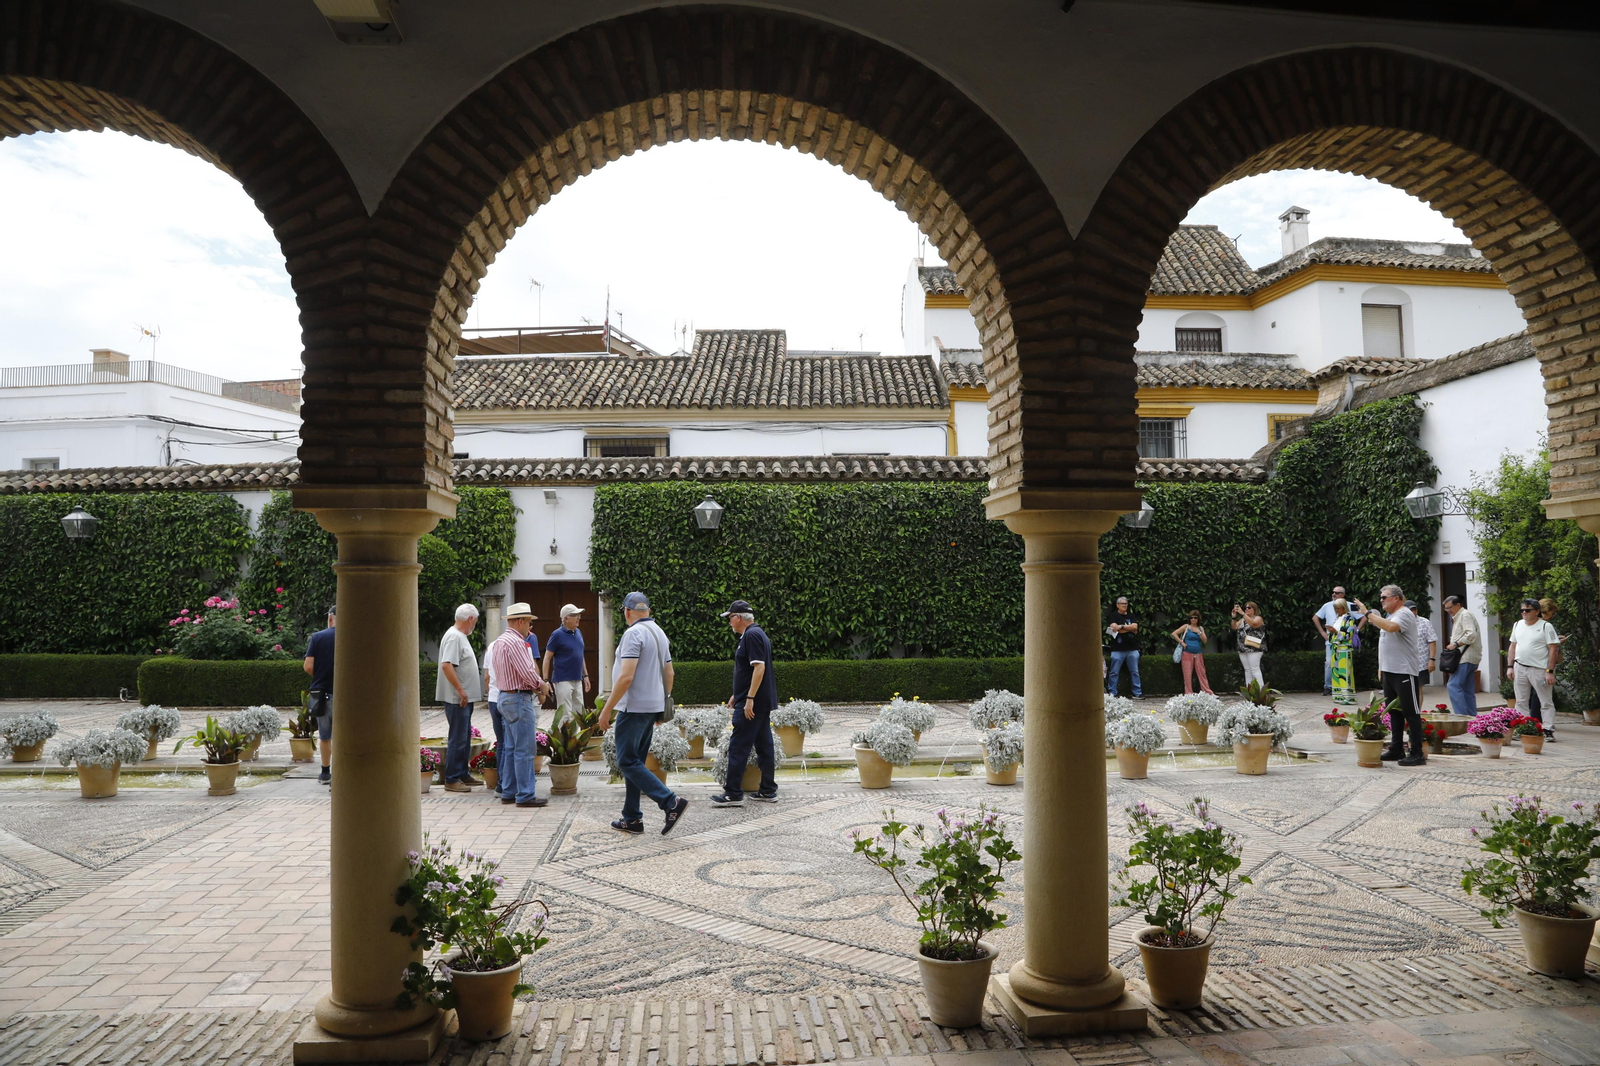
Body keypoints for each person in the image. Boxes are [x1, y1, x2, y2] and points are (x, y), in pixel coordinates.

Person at [597, 592, 690, 835]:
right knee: (634, 761)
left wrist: (607, 710)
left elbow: (626, 676)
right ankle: (632, 818)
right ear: (646, 610)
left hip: (633, 707)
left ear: (627, 612)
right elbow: (670, 674)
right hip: (652, 706)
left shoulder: (633, 634)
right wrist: (662, 705)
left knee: (626, 761)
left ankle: (670, 802)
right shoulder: (659, 633)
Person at [711, 600, 779, 807]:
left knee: (738, 746)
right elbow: (750, 671)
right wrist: (738, 695)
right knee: (764, 745)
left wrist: (748, 699)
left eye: (730, 618)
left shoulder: (751, 635)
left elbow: (759, 668)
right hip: (757, 701)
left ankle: (733, 793)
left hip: (753, 703)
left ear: (738, 617)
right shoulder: (755, 634)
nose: (729, 622)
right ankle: (768, 790)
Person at [488, 602, 549, 807]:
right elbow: (528, 672)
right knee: (524, 749)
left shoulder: (499, 641)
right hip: (518, 698)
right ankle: (525, 795)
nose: (530, 628)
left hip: (504, 697)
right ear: (521, 621)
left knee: (512, 747)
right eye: (529, 623)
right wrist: (542, 686)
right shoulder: (516, 642)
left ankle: (509, 791)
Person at [1360, 586, 1424, 765]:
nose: (1381, 600)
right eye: (1381, 598)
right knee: (1394, 713)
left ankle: (1417, 752)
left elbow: (1391, 628)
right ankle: (1396, 749)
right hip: (1390, 671)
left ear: (1397, 598)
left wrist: (1368, 614)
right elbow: (1385, 639)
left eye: (1384, 597)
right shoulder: (1390, 615)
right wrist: (1381, 667)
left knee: (1411, 713)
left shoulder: (1403, 614)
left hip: (1404, 671)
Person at [435, 603, 483, 792]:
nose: (475, 626)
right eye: (475, 621)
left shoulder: (459, 636)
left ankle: (462, 773)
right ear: (470, 619)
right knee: (458, 737)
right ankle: (452, 778)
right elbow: (447, 665)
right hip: (458, 699)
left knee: (464, 736)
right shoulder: (455, 637)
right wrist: (460, 690)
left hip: (463, 699)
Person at [1508, 597, 1561, 739]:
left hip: (1539, 669)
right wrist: (1510, 666)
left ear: (1537, 611)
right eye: (1522, 610)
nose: (1524, 612)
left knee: (1545, 701)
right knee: (1520, 701)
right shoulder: (1517, 625)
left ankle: (1548, 729)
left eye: (1527, 610)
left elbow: (1553, 649)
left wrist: (1549, 671)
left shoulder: (1545, 626)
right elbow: (1513, 646)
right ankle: (1523, 728)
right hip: (1520, 667)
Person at [302, 605, 336, 786]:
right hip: (345, 695)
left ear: (330, 618)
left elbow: (308, 666)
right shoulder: (353, 636)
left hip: (322, 695)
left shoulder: (318, 637)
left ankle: (325, 772)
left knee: (325, 736)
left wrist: (322, 674)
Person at [542, 604, 591, 726]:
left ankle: (577, 742)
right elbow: (547, 658)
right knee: (565, 714)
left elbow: (580, 655)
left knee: (579, 713)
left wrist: (585, 676)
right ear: (566, 618)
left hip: (577, 679)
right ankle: (565, 742)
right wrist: (546, 680)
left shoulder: (578, 632)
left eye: (579, 615)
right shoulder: (557, 635)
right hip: (563, 679)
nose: (578, 618)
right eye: (575, 615)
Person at [1313, 585, 1361, 696]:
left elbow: (1348, 633)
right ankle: (1332, 688)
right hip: (1333, 644)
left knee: (1343, 667)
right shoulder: (1336, 617)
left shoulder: (1349, 615)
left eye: (1337, 592)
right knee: (1331, 664)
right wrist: (1324, 632)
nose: (1333, 594)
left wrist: (1355, 631)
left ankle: (1345, 691)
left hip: (1344, 647)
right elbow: (1316, 618)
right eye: (1333, 592)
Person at [1526, 598, 1564, 733]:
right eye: (1551, 613)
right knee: (1540, 694)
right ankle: (1537, 721)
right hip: (1540, 665)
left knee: (1538, 693)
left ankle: (1536, 720)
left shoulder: (1543, 625)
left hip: (1541, 664)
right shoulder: (1541, 625)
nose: (1552, 616)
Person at [1442, 594, 1481, 717]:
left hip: (1465, 658)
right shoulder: (1459, 616)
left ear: (1458, 605)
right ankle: (1471, 717)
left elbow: (1471, 634)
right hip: (1470, 657)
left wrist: (1455, 644)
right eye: (1446, 608)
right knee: (1467, 689)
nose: (1448, 611)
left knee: (1453, 685)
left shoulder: (1464, 615)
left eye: (1450, 607)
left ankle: (1461, 716)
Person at [1104, 596, 1142, 699]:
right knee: (1114, 672)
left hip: (1132, 648)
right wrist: (1127, 628)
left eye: (1126, 604)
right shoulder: (1113, 616)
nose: (1124, 605)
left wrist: (1121, 627)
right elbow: (1114, 628)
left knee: (1135, 671)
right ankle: (1112, 693)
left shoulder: (1131, 615)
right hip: (1117, 649)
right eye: (1122, 604)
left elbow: (1135, 628)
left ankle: (1137, 693)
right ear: (1117, 605)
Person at [1170, 611, 1213, 695]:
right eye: (1191, 618)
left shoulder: (1200, 628)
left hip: (1198, 653)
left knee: (1202, 673)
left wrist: (1199, 632)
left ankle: (1207, 692)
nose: (1193, 619)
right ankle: (1188, 693)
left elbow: (1205, 640)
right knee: (1187, 674)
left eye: (1195, 618)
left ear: (1198, 619)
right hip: (1187, 653)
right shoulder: (1186, 627)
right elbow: (1174, 633)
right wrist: (1182, 642)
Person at [1327, 599, 1359, 706]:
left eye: (1338, 608)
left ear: (1343, 607)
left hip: (1345, 649)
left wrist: (1336, 632)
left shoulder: (1350, 618)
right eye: (1335, 608)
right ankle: (1338, 695)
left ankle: (1348, 697)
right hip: (1335, 647)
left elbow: (1348, 634)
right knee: (1335, 671)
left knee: (1345, 672)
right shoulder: (1338, 618)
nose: (1336, 610)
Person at [1405, 600, 1437, 702]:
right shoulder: (1400, 622)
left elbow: (1432, 641)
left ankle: (1417, 713)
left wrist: (1431, 659)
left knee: (1418, 688)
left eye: (1414, 610)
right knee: (1404, 689)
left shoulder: (1425, 622)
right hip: (1404, 662)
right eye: (1410, 610)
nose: (1413, 612)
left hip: (1421, 662)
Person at [1231, 601, 1267, 689]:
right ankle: (1249, 691)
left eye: (1249, 608)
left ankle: (1260, 691)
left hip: (1254, 648)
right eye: (1245, 607)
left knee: (1254, 669)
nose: (1246, 609)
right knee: (1247, 670)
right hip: (1242, 648)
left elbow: (1253, 624)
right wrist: (1234, 617)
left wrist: (1243, 613)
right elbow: (1234, 627)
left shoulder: (1258, 618)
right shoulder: (1243, 620)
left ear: (1254, 609)